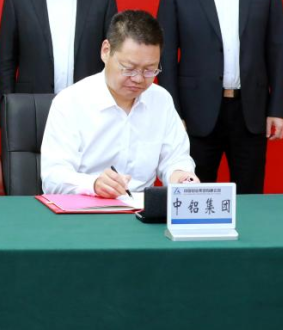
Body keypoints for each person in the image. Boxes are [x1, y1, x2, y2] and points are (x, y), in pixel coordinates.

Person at [157, 0, 283, 194]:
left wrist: (277, 108)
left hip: (250, 110)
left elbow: (276, 48)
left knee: (251, 196)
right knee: (194, 195)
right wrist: (174, 113)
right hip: (196, 112)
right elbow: (165, 54)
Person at [41, 10, 198, 196]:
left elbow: (175, 159)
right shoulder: (70, 102)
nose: (139, 79)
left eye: (150, 70)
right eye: (129, 69)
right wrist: (94, 184)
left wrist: (182, 177)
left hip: (142, 207)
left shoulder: (161, 100)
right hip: (87, 206)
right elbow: (53, 177)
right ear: (106, 51)